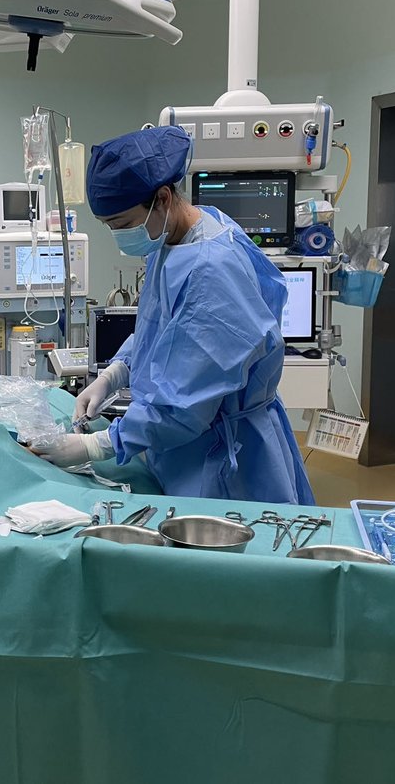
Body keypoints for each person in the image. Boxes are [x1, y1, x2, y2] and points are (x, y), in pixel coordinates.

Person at [34, 126, 313, 504]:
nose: (119, 236)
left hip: (221, 453)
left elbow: (185, 404)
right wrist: (117, 372)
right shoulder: (178, 238)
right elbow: (160, 328)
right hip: (184, 446)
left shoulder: (211, 270)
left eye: (123, 225)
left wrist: (96, 445)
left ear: (163, 198)